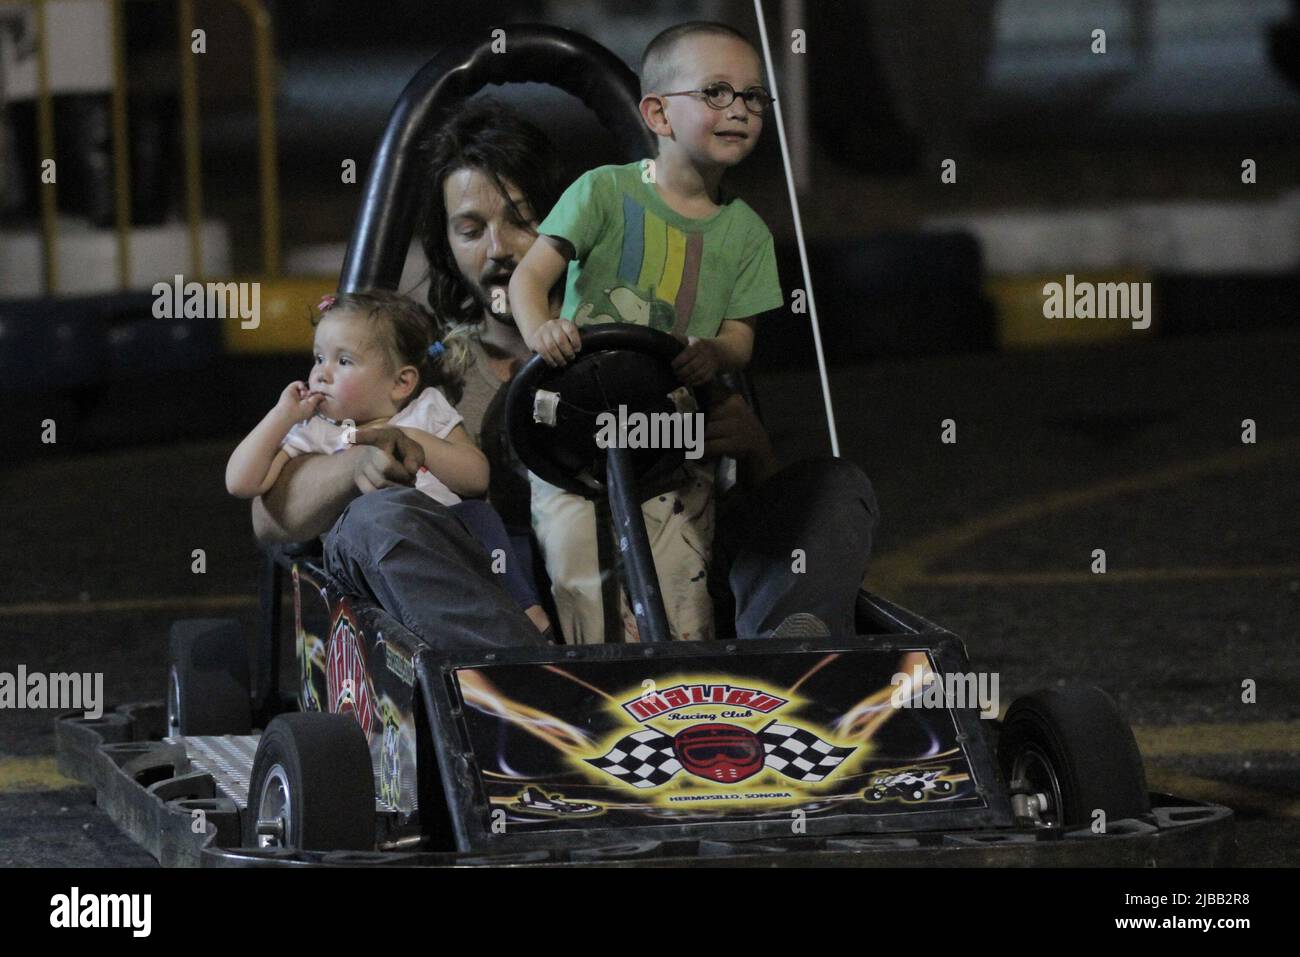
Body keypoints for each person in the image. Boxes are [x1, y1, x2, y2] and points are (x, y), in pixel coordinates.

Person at [251, 99, 877, 650]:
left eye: (523, 220)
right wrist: (357, 466)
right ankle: (511, 683)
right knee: (374, 520)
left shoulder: (648, 342)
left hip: (675, 583)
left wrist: (754, 448)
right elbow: (269, 521)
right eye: (471, 229)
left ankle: (794, 667)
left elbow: (739, 499)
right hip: (503, 599)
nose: (498, 249)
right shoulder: (417, 369)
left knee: (834, 487)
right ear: (446, 245)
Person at [508, 22, 783, 642]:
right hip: (576, 434)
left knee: (681, 583)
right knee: (584, 580)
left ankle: (683, 703)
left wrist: (713, 351)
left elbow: (741, 339)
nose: (738, 109)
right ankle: (597, 700)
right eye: (716, 92)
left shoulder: (747, 234)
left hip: (672, 440)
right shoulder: (603, 192)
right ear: (657, 113)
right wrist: (542, 330)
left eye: (753, 97)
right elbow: (529, 281)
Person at [231, 289, 550, 634]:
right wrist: (281, 416)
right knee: (384, 522)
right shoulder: (319, 432)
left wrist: (416, 442)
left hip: (448, 531)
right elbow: (242, 482)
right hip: (379, 559)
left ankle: (526, 612)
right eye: (318, 357)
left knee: (479, 515)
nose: (322, 374)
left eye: (343, 361)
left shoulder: (424, 409)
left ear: (401, 383)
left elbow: (475, 478)